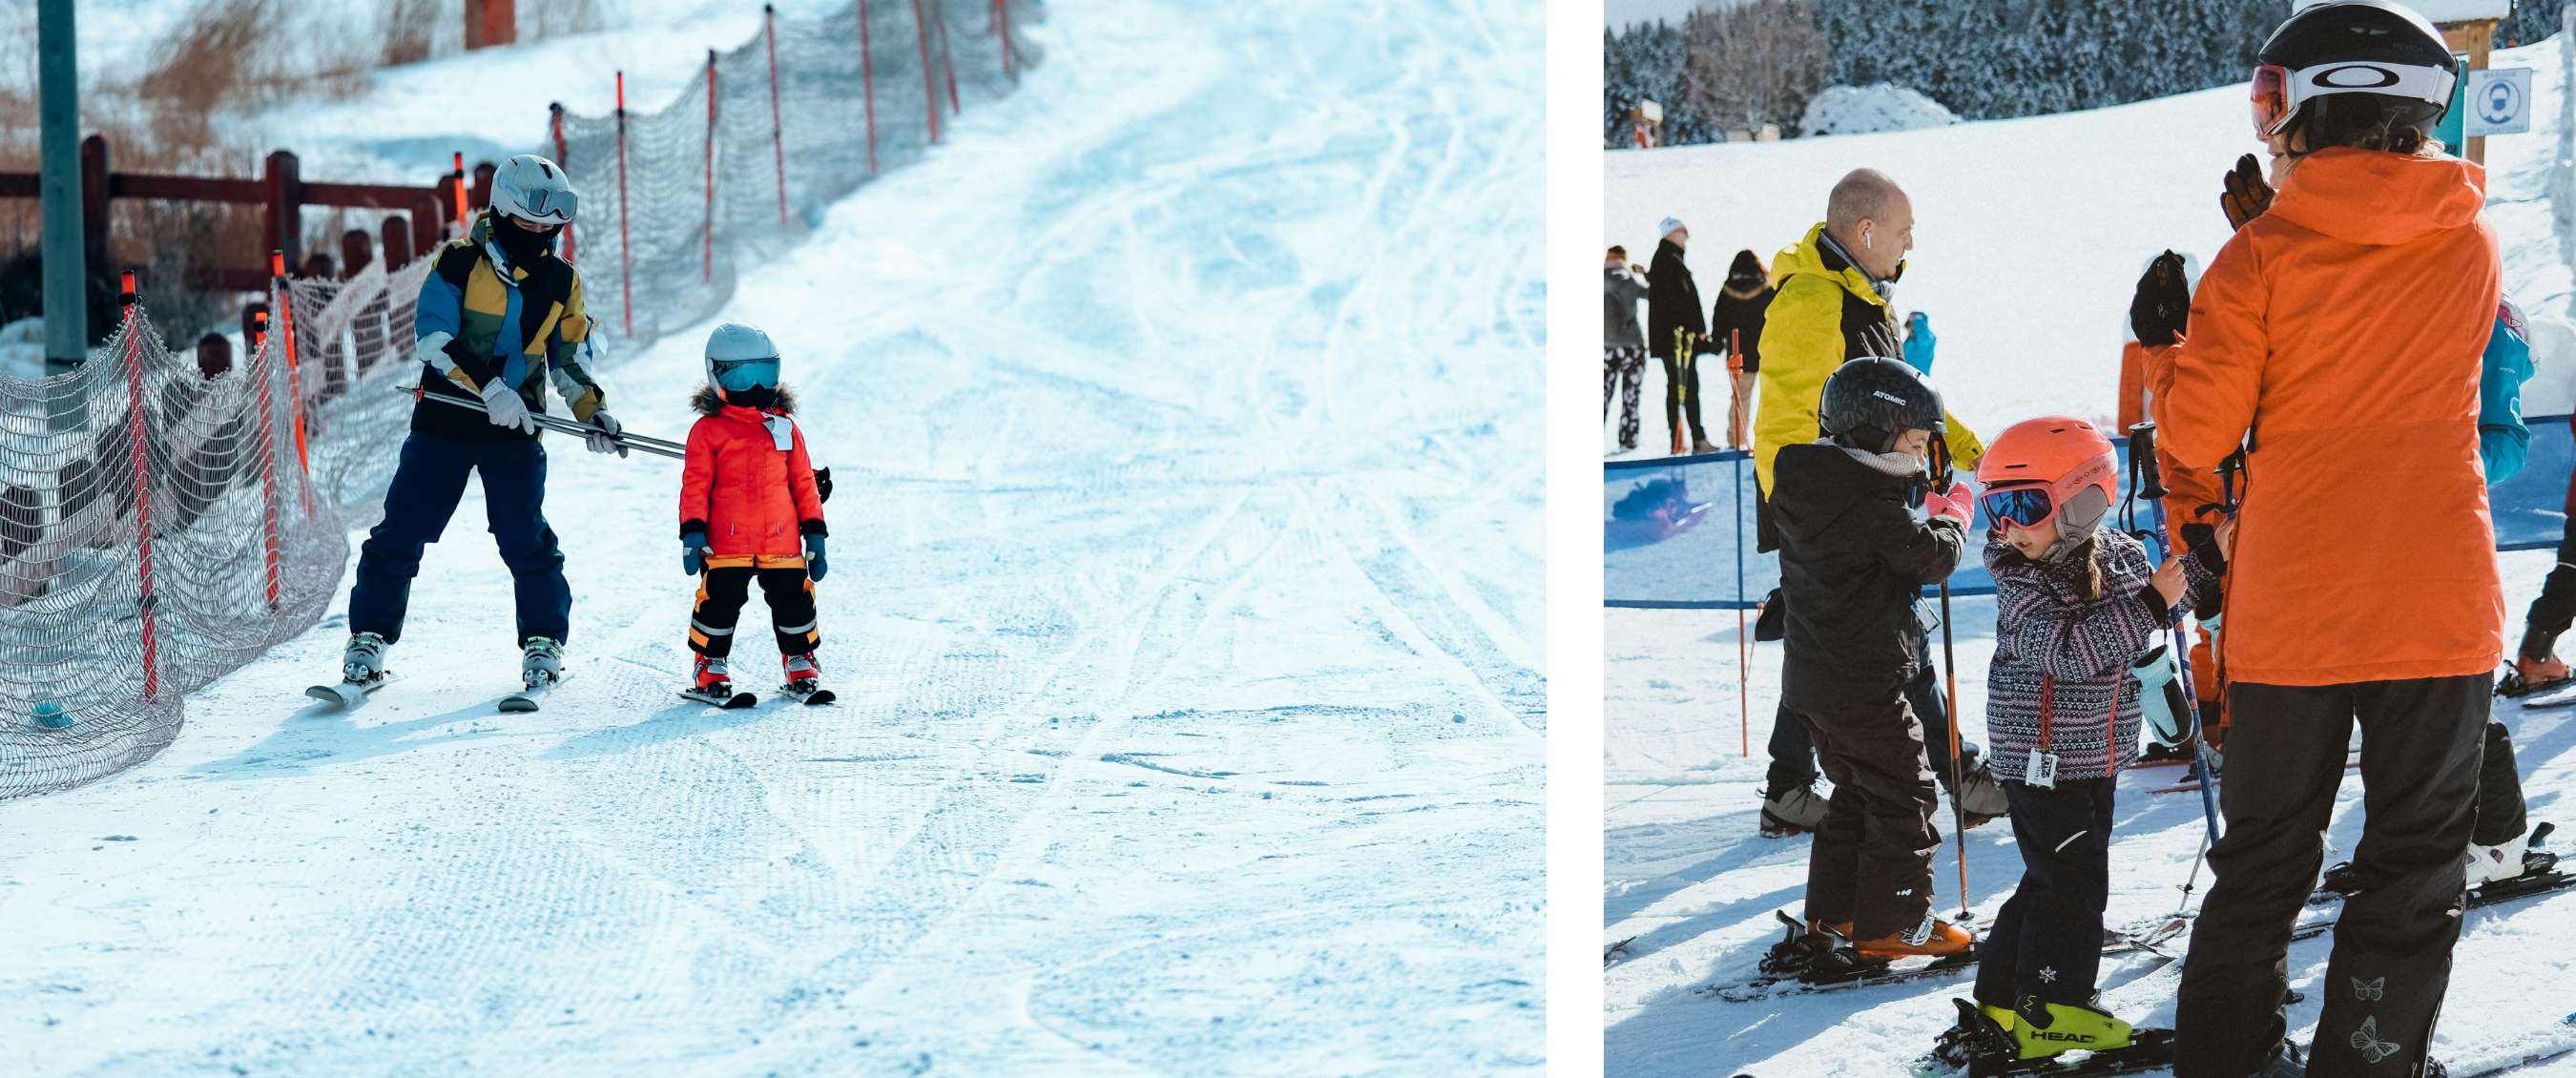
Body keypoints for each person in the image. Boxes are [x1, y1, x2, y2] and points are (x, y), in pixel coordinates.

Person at [2159, 6, 2500, 1075]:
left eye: (2275, 106)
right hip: (2439, 598)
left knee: (2263, 857)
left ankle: (2227, 1055)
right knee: (2413, 861)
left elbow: (2198, 434)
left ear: (2317, 104)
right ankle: (2371, 1053)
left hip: (2297, 603)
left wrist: (2235, 274)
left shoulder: (2258, 258)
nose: (2268, 130)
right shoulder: (2473, 237)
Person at [1946, 416, 2220, 1068]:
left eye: (2023, 505)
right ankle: (2055, 1007)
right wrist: (2153, 605)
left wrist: (2200, 568)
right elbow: (2073, 653)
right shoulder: (2021, 581)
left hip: (2093, 754)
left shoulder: (2120, 553)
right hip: (2042, 763)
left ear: (2083, 502)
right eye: (1995, 508)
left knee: (2050, 878)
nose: (2006, 525)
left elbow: (2157, 604)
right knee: (2073, 886)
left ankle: (2004, 1000)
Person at [1750, 168, 2005, 838]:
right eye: (1903, 232)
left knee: (1828, 645)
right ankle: (1961, 778)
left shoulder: (1862, 297)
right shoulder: (1814, 301)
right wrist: (1816, 518)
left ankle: (1789, 784)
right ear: (1865, 231)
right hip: (1832, 513)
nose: (1909, 247)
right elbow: (1786, 421)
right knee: (1895, 643)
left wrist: (1975, 452)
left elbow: (1908, 401)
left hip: (1853, 507)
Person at [338, 154, 622, 692]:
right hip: (446, 418)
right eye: (529, 225)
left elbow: (567, 359)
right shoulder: (458, 263)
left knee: (524, 537)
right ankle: (369, 639)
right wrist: (489, 388)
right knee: (402, 529)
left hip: (515, 429)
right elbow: (433, 339)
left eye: (549, 227)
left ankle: (543, 642)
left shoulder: (561, 282)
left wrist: (594, 412)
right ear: (503, 213)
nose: (539, 235)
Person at [1774, 356, 1978, 961]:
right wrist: (1956, 517)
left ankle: (1833, 917)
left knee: (1858, 793)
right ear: (1875, 433)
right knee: (1905, 793)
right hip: (1863, 684)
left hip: (1815, 680)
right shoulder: (1870, 506)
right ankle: (1894, 924)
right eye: (1915, 442)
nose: (1921, 457)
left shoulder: (1819, 488)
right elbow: (1928, 557)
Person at [679, 323, 830, 699]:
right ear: (718, 376)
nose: (757, 390)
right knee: (720, 604)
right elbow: (695, 485)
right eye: (745, 379)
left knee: (794, 601)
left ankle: (799, 658)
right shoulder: (708, 431)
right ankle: (709, 664)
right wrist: (692, 531)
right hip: (726, 544)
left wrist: (815, 532)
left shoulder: (785, 428)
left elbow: (803, 483)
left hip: (782, 542)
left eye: (765, 376)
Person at [1647, 218, 1717, 456]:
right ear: (1672, 234)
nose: (1686, 237)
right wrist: (1696, 328)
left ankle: (1682, 440)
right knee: (1685, 389)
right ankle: (1693, 440)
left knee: (1679, 388)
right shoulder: (1669, 261)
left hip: (1674, 339)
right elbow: (1680, 302)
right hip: (1677, 340)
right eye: (1683, 232)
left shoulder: (1667, 260)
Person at [1707, 249, 1772, 450]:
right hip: (1766, 347)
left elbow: (1719, 317)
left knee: (1740, 396)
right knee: (1771, 395)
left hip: (1738, 351)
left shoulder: (1728, 290)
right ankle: (1770, 437)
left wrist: (1716, 340)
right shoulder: (1768, 289)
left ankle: (1736, 437)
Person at [1605, 245, 1652, 453]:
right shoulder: (1629, 280)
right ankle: (1628, 441)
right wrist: (1645, 274)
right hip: (1633, 346)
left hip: (1604, 348)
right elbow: (1653, 295)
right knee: (1630, 397)